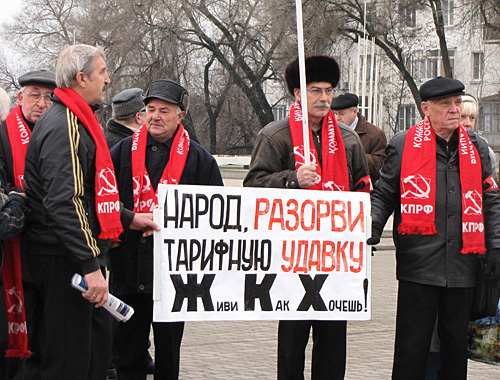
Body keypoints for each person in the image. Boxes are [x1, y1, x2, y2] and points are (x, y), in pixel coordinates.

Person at [22, 44, 159, 380]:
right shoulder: (64, 124)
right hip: (62, 261)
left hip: (73, 256)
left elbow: (93, 192)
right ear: (81, 78)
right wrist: (89, 267)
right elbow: (64, 202)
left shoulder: (79, 119)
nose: (107, 79)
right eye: (102, 73)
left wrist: (127, 218)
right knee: (69, 360)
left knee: (94, 355)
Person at [244, 55, 370, 380]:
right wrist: (291, 179)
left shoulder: (348, 139)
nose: (324, 98)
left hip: (335, 258)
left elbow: (362, 191)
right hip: (292, 258)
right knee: (292, 344)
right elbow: (253, 187)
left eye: (329, 91)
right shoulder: (276, 136)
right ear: (298, 94)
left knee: (332, 345)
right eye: (315, 91)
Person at [369, 76, 500, 380]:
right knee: (412, 346)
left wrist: (495, 246)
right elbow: (385, 193)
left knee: (455, 347)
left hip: (463, 264)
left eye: (457, 102)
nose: (454, 110)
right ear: (426, 108)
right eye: (446, 104)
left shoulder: (477, 147)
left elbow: (490, 200)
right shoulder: (404, 144)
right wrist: (371, 230)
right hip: (419, 265)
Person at [109, 79, 223, 380]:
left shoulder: (201, 161)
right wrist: (129, 218)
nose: (155, 116)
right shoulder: (120, 153)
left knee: (168, 355)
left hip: (174, 277)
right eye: (150, 110)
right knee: (128, 353)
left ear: (180, 116)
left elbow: (219, 216)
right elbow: (104, 202)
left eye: (164, 110)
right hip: (128, 269)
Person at [0, 70, 56, 379]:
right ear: (20, 97)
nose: (42, 103)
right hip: (12, 250)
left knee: (44, 338)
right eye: (34, 95)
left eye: (49, 96)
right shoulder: (3, 135)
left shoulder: (59, 134)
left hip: (48, 250)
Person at [331, 93, 387, 182]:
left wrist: (355, 157)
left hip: (362, 188)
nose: (337, 118)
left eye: (341, 114)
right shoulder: (330, 132)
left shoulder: (375, 134)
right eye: (335, 113)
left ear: (354, 111)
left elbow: (381, 166)